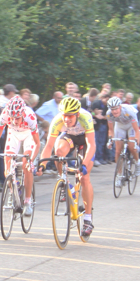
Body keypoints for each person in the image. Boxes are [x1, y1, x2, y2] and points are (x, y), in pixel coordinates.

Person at [39, 97, 96, 238]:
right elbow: (49, 146)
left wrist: (84, 164)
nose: (67, 119)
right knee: (58, 152)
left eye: (70, 116)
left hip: (85, 141)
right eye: (64, 115)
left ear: (77, 114)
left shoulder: (85, 118)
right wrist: (42, 164)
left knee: (84, 177)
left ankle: (88, 219)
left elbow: (91, 145)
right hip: (69, 137)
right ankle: (64, 181)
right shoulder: (57, 120)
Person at [0, 96, 40, 216]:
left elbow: (37, 143)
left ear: (22, 113)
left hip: (28, 135)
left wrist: (31, 161)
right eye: (12, 117)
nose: (15, 120)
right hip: (13, 134)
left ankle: (27, 201)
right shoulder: (4, 115)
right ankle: (13, 191)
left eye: (17, 117)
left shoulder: (30, 116)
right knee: (8, 163)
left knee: (26, 165)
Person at [106, 96, 140, 175]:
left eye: (116, 109)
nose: (114, 111)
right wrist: (110, 140)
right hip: (120, 126)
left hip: (131, 125)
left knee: (132, 146)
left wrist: (137, 144)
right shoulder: (108, 114)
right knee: (118, 151)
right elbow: (111, 130)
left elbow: (136, 130)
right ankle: (119, 174)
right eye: (112, 109)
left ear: (120, 107)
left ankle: (137, 162)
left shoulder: (129, 111)